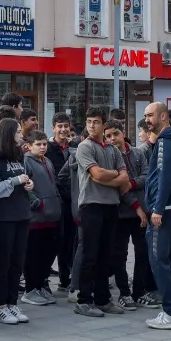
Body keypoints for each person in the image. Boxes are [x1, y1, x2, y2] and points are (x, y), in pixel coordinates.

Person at [72, 108, 128, 317]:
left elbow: (124, 178)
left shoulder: (113, 150)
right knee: (90, 254)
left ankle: (103, 298)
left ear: (104, 125)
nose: (91, 125)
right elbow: (95, 174)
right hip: (91, 205)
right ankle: (84, 300)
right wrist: (112, 176)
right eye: (88, 121)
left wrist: (108, 176)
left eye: (96, 122)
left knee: (107, 255)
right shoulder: (84, 147)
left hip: (111, 205)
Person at [142, 101, 171, 329]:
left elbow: (164, 176)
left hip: (167, 210)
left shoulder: (164, 142)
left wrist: (157, 209)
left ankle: (170, 312)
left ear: (163, 116)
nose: (147, 120)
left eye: (150, 115)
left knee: (159, 261)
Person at [0, 117, 33, 325]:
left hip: (22, 215)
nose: (22, 135)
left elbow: (20, 181)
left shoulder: (19, 156)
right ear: (8, 134)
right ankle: (1, 305)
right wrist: (15, 181)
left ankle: (13, 302)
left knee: (17, 261)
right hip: (4, 218)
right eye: (18, 132)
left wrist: (27, 184)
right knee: (2, 263)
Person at [106, 119, 151, 308]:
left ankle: (139, 291)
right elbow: (117, 186)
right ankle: (124, 293)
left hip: (141, 211)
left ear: (123, 133)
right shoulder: (107, 156)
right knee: (119, 254)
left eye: (115, 134)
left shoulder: (138, 153)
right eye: (107, 136)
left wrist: (130, 183)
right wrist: (135, 204)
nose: (112, 139)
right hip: (121, 212)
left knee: (143, 252)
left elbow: (146, 176)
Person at [20, 129, 62, 306]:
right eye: (38, 144)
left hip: (52, 217)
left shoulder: (48, 162)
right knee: (33, 256)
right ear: (28, 146)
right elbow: (23, 187)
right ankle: (30, 290)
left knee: (46, 255)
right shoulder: (25, 162)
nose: (43, 147)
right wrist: (37, 203)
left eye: (44, 144)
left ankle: (40, 286)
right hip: (36, 219)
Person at [46, 114, 77, 292]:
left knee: (71, 241)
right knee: (57, 240)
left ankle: (66, 278)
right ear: (53, 128)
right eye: (60, 126)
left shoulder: (75, 148)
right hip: (57, 202)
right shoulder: (48, 149)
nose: (63, 129)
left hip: (74, 202)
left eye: (66, 126)